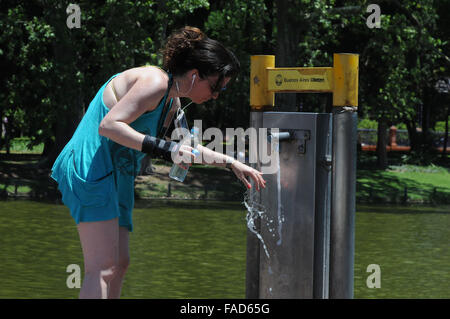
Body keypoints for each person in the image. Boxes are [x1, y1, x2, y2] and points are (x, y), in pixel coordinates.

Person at [51, 26, 266, 299]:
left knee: (120, 263)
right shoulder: (154, 81)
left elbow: (188, 150)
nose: (215, 96)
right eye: (216, 86)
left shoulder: (172, 102)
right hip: (92, 166)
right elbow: (109, 125)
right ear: (194, 75)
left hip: (118, 175)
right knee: (102, 267)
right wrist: (166, 149)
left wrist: (231, 162)